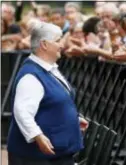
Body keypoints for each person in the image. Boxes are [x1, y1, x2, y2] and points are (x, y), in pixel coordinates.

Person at [7, 20, 88, 165]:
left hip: (55, 154)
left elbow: (54, 103)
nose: (62, 45)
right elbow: (22, 111)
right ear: (44, 45)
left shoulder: (48, 69)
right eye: (58, 41)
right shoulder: (31, 76)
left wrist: (72, 120)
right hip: (37, 158)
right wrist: (37, 136)